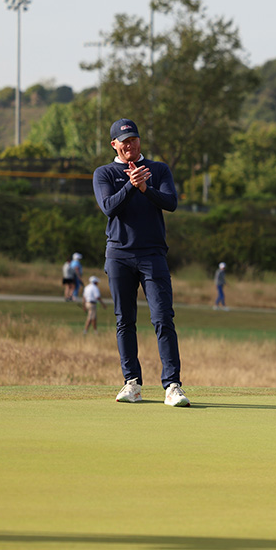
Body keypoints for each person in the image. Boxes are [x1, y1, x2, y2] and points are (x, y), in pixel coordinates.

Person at [93, 118, 189, 408]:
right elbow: (109, 207)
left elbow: (171, 203)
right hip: (119, 255)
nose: (130, 145)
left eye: (134, 140)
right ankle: (132, 383)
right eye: (124, 142)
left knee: (163, 318)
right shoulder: (105, 173)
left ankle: (172, 386)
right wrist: (131, 187)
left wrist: (146, 188)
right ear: (114, 145)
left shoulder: (158, 170)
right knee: (125, 320)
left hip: (152, 255)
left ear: (139, 141)